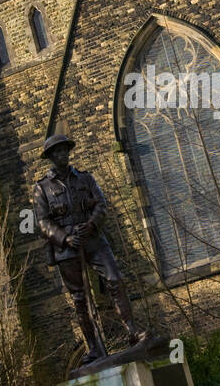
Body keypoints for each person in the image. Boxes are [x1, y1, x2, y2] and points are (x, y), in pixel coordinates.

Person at [33, 135, 145, 364]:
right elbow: (43, 223)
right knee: (79, 299)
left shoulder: (85, 178)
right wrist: (64, 239)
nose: (62, 154)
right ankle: (93, 348)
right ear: (51, 158)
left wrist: (92, 223)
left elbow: (101, 204)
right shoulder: (42, 188)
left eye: (65, 150)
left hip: (93, 240)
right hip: (67, 250)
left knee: (115, 279)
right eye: (57, 152)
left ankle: (133, 330)